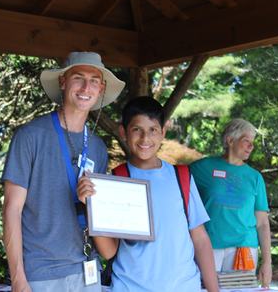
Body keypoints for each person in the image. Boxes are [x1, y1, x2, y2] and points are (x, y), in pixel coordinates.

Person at [2, 51, 125, 292]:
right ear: (63, 81)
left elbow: (98, 219)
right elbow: (11, 210)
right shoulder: (30, 136)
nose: (85, 87)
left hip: (87, 270)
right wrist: (18, 279)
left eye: (94, 81)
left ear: (101, 89)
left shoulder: (98, 148)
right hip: (41, 274)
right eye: (78, 77)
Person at [77, 96, 219, 292]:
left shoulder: (182, 177)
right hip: (131, 287)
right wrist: (90, 205)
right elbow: (109, 252)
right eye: (137, 130)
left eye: (152, 130)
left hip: (184, 287)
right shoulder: (116, 180)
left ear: (163, 132)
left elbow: (200, 239)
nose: (145, 138)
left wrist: (214, 289)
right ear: (123, 132)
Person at [190, 118, 272, 287]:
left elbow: (262, 223)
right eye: (246, 141)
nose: (251, 146)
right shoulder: (202, 168)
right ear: (230, 140)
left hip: (244, 248)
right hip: (208, 246)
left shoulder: (255, 177)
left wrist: (267, 262)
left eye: (252, 142)